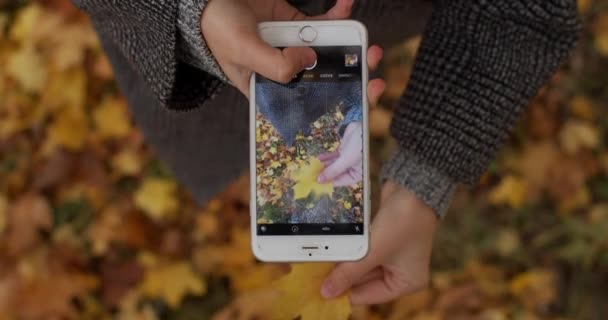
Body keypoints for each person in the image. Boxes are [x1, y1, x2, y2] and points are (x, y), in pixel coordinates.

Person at [72, 0, 580, 305]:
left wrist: (423, 181)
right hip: (178, 37)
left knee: (319, 90)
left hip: (364, 21)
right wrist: (187, 11)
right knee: (249, 126)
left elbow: (527, 9)